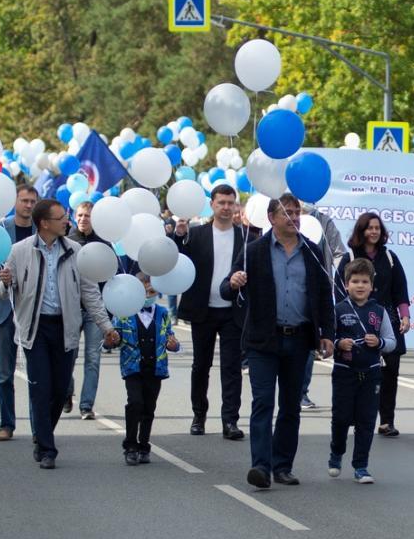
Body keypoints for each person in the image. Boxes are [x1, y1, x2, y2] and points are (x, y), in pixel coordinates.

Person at [222, 193, 335, 489]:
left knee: (290, 407)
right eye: (287, 213)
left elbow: (324, 295)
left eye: (296, 212)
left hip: (299, 340)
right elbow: (227, 287)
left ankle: (282, 466)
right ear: (271, 218)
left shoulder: (311, 251)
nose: (294, 217)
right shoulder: (254, 251)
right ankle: (260, 466)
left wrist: (327, 334)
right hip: (263, 340)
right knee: (263, 403)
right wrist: (233, 282)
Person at [0, 199, 118, 468]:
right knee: (40, 388)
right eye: (61, 217)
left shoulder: (76, 251)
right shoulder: (19, 251)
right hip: (35, 328)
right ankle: (48, 449)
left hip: (65, 328)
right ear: (44, 224)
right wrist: (5, 284)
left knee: (60, 388)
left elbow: (90, 294)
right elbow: (3, 291)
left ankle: (42, 435)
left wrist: (106, 327)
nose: (68, 221)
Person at [173, 184, 247, 439]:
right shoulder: (197, 234)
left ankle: (230, 421)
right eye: (221, 203)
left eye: (230, 203)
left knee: (231, 367)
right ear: (212, 205)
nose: (226, 207)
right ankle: (199, 416)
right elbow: (178, 260)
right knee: (200, 366)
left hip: (233, 311)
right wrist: (179, 235)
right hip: (203, 310)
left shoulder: (246, 237)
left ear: (236, 206)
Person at [334, 212, 409, 437]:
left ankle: (387, 421)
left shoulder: (390, 257)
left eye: (377, 227)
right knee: (358, 369)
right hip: (355, 322)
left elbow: (400, 289)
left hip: (385, 319)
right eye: (369, 228)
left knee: (390, 370)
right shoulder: (349, 257)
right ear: (361, 230)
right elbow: (339, 290)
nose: (374, 231)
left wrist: (404, 316)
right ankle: (356, 415)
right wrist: (344, 317)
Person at [328, 258, 396, 484]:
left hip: (371, 373)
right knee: (341, 418)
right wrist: (339, 344)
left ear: (371, 285)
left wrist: (379, 343)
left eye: (364, 281)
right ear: (346, 284)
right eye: (355, 281)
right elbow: (328, 339)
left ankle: (361, 466)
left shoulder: (379, 310)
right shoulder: (338, 309)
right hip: (344, 372)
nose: (360, 285)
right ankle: (336, 453)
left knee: (366, 421)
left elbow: (391, 341)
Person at [107, 273, 181, 465]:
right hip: (133, 367)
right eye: (144, 290)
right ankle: (130, 445)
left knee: (149, 407)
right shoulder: (124, 312)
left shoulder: (163, 312)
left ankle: (144, 445)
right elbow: (114, 339)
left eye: (152, 290)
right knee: (135, 403)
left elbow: (170, 337)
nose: (148, 293)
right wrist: (111, 341)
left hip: (155, 367)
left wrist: (174, 345)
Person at [0, 185, 37, 441]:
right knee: (5, 372)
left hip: (36, 311)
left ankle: (40, 427)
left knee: (38, 373)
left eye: (32, 201)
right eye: (24, 200)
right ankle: (6, 424)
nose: (28, 205)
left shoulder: (43, 231)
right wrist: (1, 279)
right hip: (3, 310)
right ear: (14, 201)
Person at [300, 205, 345, 410]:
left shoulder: (324, 221)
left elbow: (338, 252)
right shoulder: (283, 216)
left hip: (317, 291)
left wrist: (344, 276)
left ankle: (301, 393)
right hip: (287, 291)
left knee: (309, 344)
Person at [67, 201, 108, 420]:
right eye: (80, 216)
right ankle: (66, 392)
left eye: (88, 216)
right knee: (68, 356)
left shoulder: (103, 243)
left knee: (93, 358)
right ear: (75, 216)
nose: (83, 220)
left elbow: (110, 277)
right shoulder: (66, 241)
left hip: (94, 310)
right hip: (71, 309)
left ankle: (86, 405)